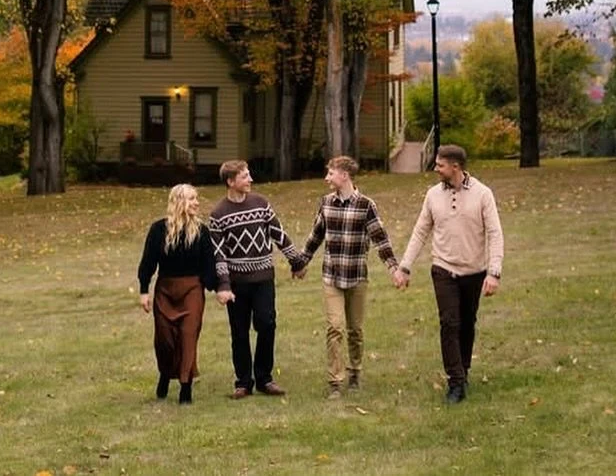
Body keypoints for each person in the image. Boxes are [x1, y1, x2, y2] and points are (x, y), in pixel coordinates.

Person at [393, 143, 504, 404]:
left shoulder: (483, 194)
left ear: (456, 167)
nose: (435, 169)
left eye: (440, 165)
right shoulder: (432, 195)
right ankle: (455, 382)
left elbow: (495, 233)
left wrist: (494, 271)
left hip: (474, 271)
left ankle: (463, 370)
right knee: (449, 323)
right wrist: (405, 266)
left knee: (467, 323)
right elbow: (421, 231)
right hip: (443, 268)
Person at [293, 155, 401, 398]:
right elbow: (316, 235)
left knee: (355, 329)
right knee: (335, 327)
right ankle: (335, 381)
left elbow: (380, 239)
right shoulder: (326, 203)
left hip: (357, 277)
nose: (326, 178)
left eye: (330, 173)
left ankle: (355, 371)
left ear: (344, 175)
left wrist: (394, 268)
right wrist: (301, 263)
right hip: (332, 275)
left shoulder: (366, 205)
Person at [209, 160, 303, 398]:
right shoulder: (218, 214)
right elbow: (218, 254)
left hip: (263, 278)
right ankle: (243, 382)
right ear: (231, 182)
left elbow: (278, 234)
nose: (250, 179)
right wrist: (224, 284)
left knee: (267, 323)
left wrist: (296, 261)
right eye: (244, 176)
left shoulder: (261, 204)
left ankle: (264, 378)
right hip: (237, 284)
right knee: (239, 332)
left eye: (249, 175)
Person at [138, 183, 217, 404]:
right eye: (192, 199)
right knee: (165, 340)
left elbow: (209, 265)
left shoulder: (202, 232)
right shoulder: (158, 230)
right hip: (165, 289)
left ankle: (185, 386)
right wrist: (144, 290)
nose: (197, 203)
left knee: (188, 337)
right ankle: (165, 373)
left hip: (192, 289)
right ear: (179, 202)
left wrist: (220, 288)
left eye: (197, 198)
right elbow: (147, 263)